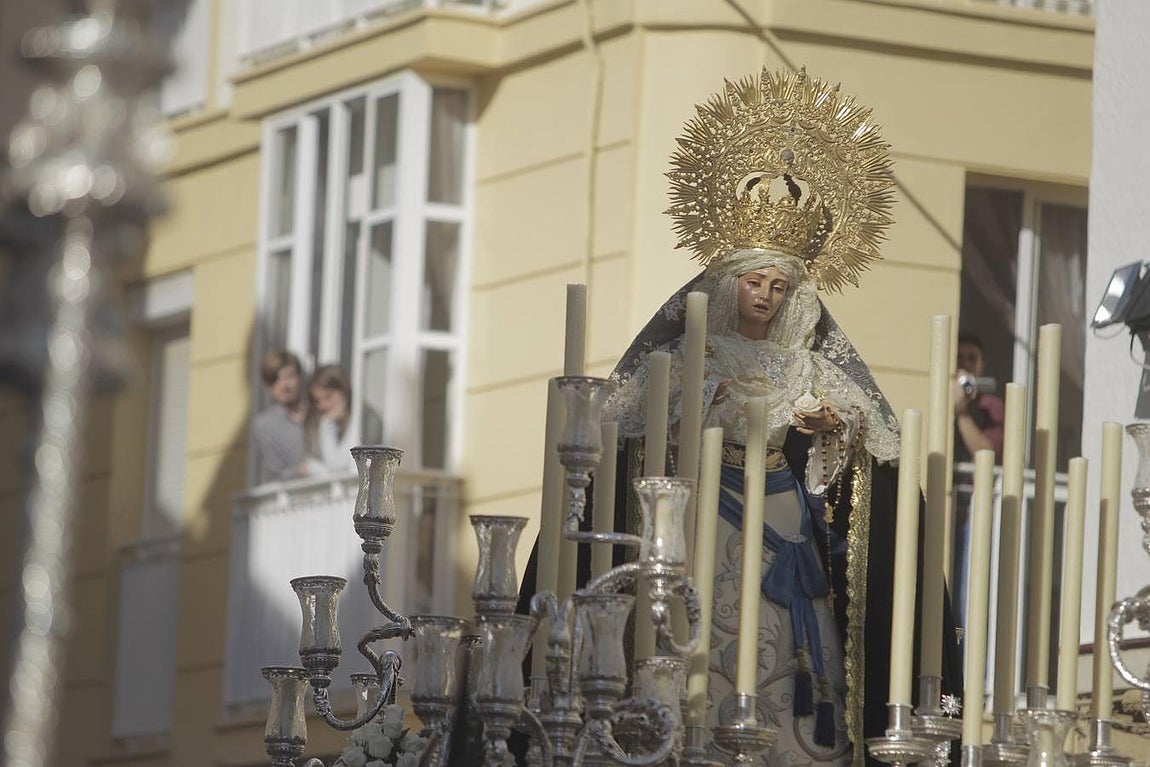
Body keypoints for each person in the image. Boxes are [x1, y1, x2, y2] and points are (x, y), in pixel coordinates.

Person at [600, 69, 961, 767]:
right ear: (725, 281)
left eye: (778, 286)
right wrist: (698, 405)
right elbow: (640, 435)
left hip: (786, 519)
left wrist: (831, 429)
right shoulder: (680, 359)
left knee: (799, 642)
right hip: (706, 514)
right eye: (753, 281)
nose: (764, 297)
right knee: (700, 628)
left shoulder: (811, 363)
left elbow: (858, 453)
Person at [252, 348, 308, 482]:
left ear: (300, 377)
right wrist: (301, 471)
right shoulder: (265, 425)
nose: (284, 385)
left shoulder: (320, 410)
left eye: (289, 376)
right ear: (268, 387)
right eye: (275, 380)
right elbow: (278, 472)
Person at [952, 334, 1005, 463]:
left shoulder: (991, 406)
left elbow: (985, 456)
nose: (965, 364)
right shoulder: (940, 398)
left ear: (982, 365)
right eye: (959, 358)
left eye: (972, 358)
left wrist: (962, 414)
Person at [304, 364, 356, 476]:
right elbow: (333, 467)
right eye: (317, 400)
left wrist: (313, 468)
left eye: (328, 397)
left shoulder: (361, 421)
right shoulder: (326, 423)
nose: (322, 405)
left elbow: (341, 469)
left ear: (344, 392)